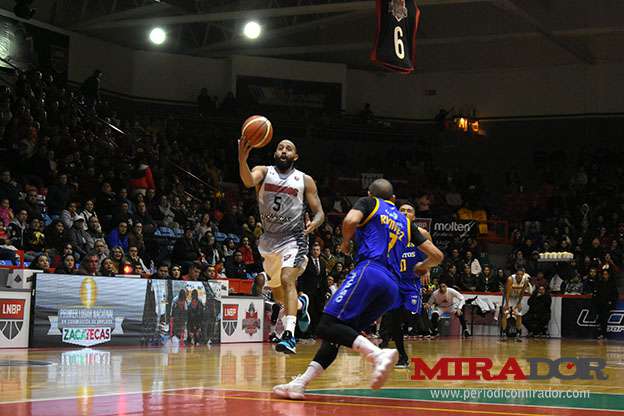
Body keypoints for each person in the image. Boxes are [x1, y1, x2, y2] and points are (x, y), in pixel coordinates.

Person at [272, 179, 443, 400]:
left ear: (370, 193)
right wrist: (422, 266)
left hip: (371, 271)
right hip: (391, 287)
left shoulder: (369, 203)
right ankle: (300, 383)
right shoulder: (407, 223)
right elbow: (437, 256)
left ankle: (377, 354)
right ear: (393, 199)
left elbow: (350, 220)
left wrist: (345, 242)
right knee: (337, 335)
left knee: (326, 325)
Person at [238, 137, 325, 354]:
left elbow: (320, 212)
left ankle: (289, 336)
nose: (284, 151)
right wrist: (242, 159)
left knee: (287, 280)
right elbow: (248, 180)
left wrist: (315, 223)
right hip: (269, 241)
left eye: (289, 149)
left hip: (294, 239)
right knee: (279, 297)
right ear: (275, 153)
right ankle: (301, 305)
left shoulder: (304, 180)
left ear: (295, 156)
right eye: (280, 148)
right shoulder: (263, 171)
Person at [379, 202, 434, 368]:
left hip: (411, 282)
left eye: (409, 211)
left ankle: (391, 336)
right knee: (393, 317)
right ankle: (400, 354)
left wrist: (428, 269)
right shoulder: (390, 232)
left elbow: (432, 254)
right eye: (401, 210)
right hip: (395, 280)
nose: (404, 212)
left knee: (411, 315)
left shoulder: (422, 234)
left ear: (414, 216)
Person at [501, 267, 531, 341]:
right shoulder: (510, 279)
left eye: (521, 274)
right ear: (515, 274)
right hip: (509, 297)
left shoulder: (525, 280)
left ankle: (518, 334)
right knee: (505, 314)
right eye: (518, 274)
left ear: (523, 275)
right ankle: (504, 333)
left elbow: (522, 292)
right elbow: (507, 293)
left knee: (519, 315)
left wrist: (519, 303)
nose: (519, 276)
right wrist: (507, 304)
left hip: (517, 298)